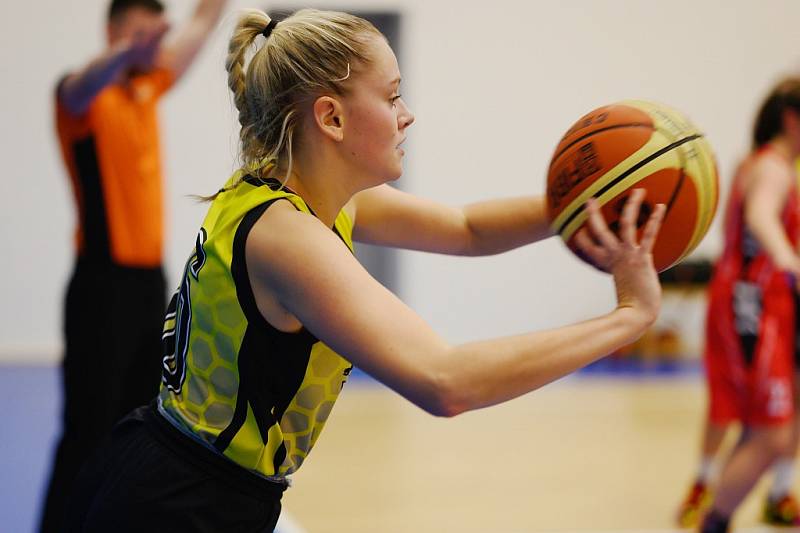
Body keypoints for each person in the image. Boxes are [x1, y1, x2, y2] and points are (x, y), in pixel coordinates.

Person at [64, 8, 666, 532]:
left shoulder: (307, 196)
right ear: (331, 119)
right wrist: (627, 319)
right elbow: (445, 380)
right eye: (393, 95)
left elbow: (467, 228)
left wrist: (594, 198)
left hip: (187, 484)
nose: (407, 115)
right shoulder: (285, 238)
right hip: (178, 505)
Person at [40, 1, 228, 532]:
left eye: (154, 36)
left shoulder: (148, 88)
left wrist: (196, 21)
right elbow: (77, 83)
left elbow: (201, 22)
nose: (152, 47)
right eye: (138, 35)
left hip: (150, 287)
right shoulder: (83, 100)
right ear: (113, 34)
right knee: (86, 427)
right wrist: (128, 51)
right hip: (100, 287)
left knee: (139, 426)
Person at [699, 78, 800, 533]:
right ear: (792, 119)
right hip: (752, 304)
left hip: (758, 303)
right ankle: (714, 518)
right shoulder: (774, 168)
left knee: (769, 424)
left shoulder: (761, 163)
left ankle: (752, 501)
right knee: (772, 431)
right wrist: (788, 261)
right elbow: (760, 215)